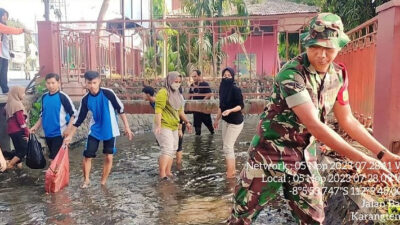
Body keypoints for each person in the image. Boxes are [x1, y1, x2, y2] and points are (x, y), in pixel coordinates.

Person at [228, 13, 400, 225]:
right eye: (315, 47)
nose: (321, 55)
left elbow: (348, 121)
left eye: (329, 48)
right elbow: (315, 126)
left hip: (303, 159)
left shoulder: (338, 76)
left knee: (313, 219)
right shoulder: (291, 74)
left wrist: (382, 154)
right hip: (269, 155)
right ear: (307, 44)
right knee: (241, 218)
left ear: (339, 47)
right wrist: (365, 162)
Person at [63, 71, 134, 188]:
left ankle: (103, 181)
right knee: (87, 155)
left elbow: (120, 109)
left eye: (94, 82)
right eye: (89, 83)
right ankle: (86, 180)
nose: (92, 85)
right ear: (85, 83)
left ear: (99, 81)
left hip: (110, 129)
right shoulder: (85, 99)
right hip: (95, 129)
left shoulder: (108, 93)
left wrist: (127, 127)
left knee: (109, 156)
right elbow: (80, 118)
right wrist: (70, 135)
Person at [154, 71, 192, 179]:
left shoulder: (178, 95)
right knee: (166, 149)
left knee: (173, 149)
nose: (177, 84)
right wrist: (158, 125)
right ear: (170, 81)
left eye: (179, 82)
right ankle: (162, 174)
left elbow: (180, 111)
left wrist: (187, 122)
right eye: (175, 81)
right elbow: (158, 110)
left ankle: (168, 171)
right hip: (164, 125)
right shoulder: (163, 92)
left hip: (174, 126)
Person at [30, 73, 76, 160]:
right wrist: (35, 126)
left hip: (60, 133)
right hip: (48, 133)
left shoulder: (63, 97)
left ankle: (56, 173)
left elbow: (73, 114)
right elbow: (42, 114)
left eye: (53, 83)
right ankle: (57, 173)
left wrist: (68, 129)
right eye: (48, 83)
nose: (50, 85)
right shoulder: (44, 97)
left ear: (58, 83)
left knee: (55, 159)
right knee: (53, 158)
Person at [213, 67, 244, 179]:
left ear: (232, 77)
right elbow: (221, 106)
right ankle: (232, 170)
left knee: (227, 147)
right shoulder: (222, 88)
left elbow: (241, 106)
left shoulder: (236, 89)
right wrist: (217, 120)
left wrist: (230, 110)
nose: (226, 77)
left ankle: (230, 174)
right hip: (225, 121)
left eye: (228, 75)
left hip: (235, 122)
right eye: (224, 75)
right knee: (226, 147)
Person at [0, 8, 28, 94]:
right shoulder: (2, 27)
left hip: (4, 54)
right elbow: (11, 30)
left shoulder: (4, 26)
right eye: (4, 15)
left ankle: (5, 90)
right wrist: (22, 30)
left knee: (3, 73)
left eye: (6, 16)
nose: (6, 17)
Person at [4, 86, 29, 169]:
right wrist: (26, 132)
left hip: (11, 132)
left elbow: (5, 115)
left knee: (18, 150)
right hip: (18, 131)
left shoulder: (8, 104)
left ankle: (19, 168)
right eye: (22, 93)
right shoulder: (17, 104)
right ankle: (9, 165)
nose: (24, 95)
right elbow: (21, 121)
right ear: (17, 94)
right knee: (23, 150)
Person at [189, 70, 214, 135]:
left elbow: (209, 94)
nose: (193, 78)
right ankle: (197, 143)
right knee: (197, 130)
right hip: (196, 110)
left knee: (210, 128)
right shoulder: (192, 85)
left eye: (195, 76)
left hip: (204, 110)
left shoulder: (205, 84)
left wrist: (202, 101)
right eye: (192, 77)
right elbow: (190, 96)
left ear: (199, 76)